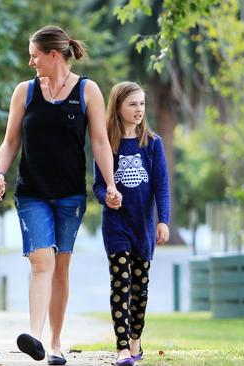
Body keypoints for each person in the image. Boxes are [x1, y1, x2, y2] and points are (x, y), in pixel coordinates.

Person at [0, 25, 121, 364]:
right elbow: (10, 141)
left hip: (69, 195)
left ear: (53, 55)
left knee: (61, 267)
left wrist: (110, 183)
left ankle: (55, 343)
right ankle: (33, 336)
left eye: (35, 56)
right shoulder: (25, 91)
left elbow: (99, 142)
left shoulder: (88, 90)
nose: (31, 62)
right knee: (41, 262)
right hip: (31, 191)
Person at [93, 81, 170, 366]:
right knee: (121, 284)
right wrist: (106, 198)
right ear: (118, 106)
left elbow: (161, 186)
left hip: (143, 227)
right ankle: (122, 348)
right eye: (132, 104)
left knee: (140, 287)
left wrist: (163, 221)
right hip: (116, 226)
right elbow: (98, 186)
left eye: (142, 104)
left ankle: (136, 341)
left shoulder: (152, 144)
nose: (139, 110)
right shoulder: (106, 143)